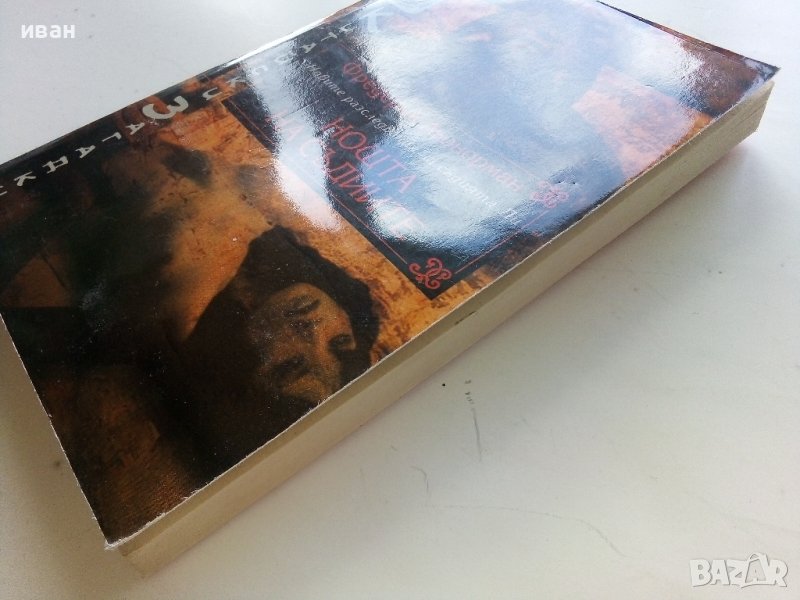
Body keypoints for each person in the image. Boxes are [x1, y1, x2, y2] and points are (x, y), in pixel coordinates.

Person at [175, 226, 379, 472]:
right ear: (345, 316)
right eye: (339, 342)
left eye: (292, 365)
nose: (312, 333)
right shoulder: (309, 239)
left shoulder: (184, 285)